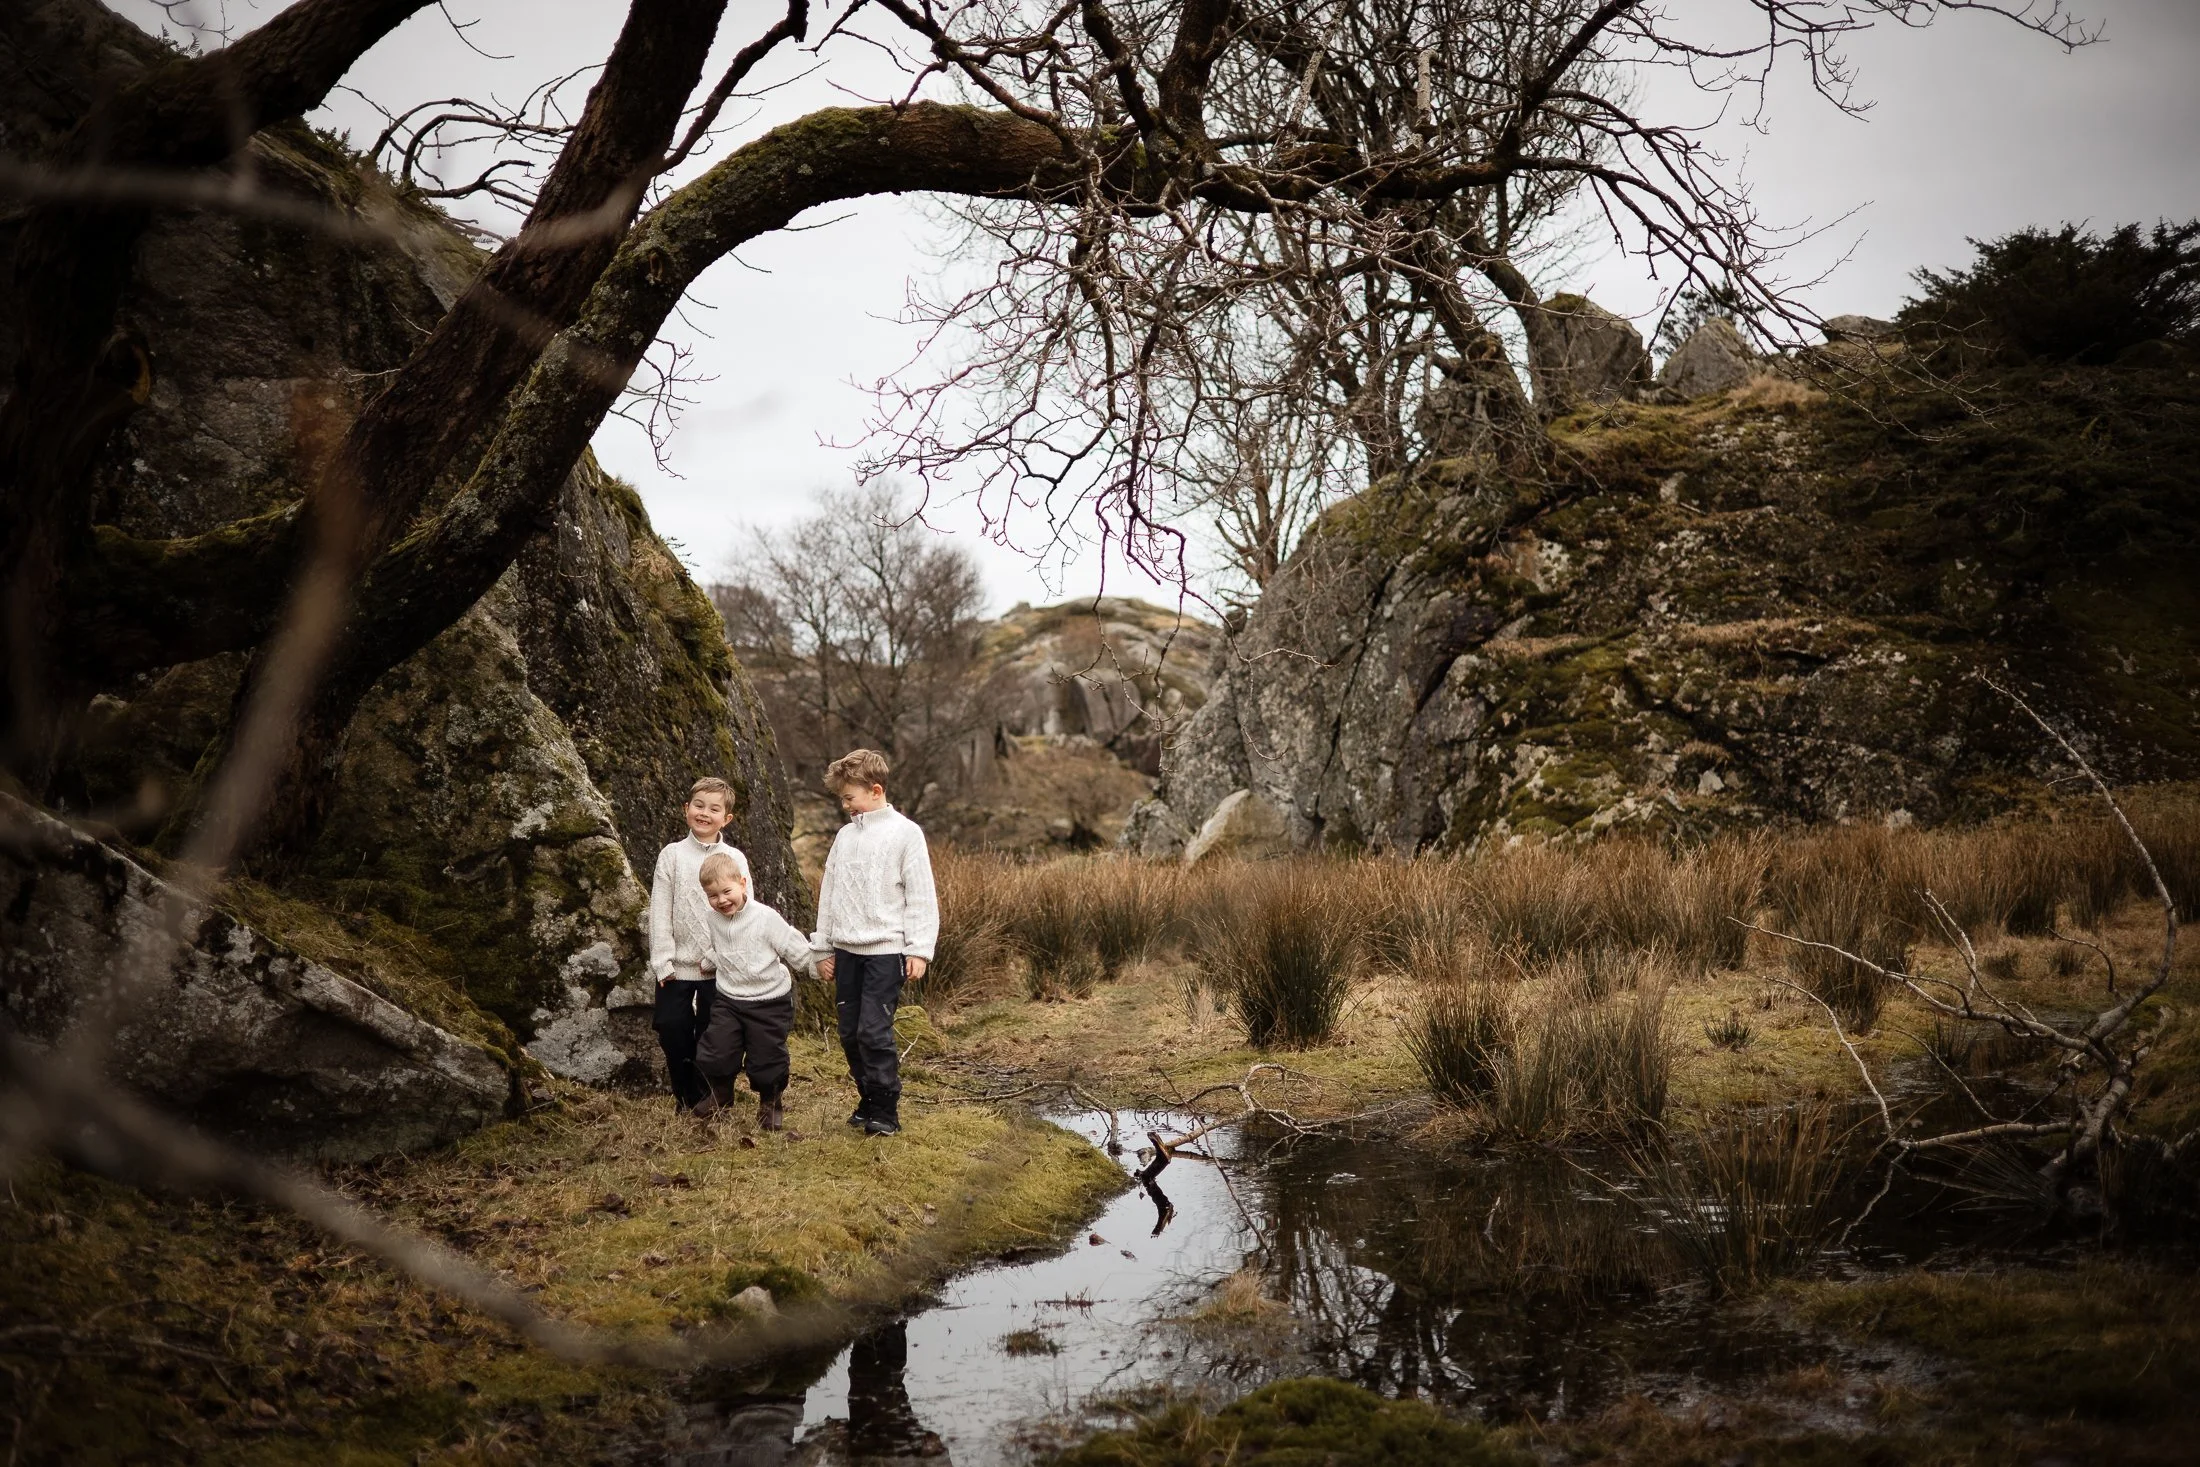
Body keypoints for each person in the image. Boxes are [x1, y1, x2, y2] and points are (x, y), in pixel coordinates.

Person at [810, 749, 937, 1137]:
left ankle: (886, 1109)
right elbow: (828, 894)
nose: (845, 805)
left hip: (886, 952)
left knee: (873, 1032)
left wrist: (918, 949)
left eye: (849, 798)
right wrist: (821, 948)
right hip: (846, 952)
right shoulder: (845, 837)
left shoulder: (905, 833)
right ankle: (867, 1098)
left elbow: (921, 895)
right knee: (849, 1033)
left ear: (875, 790)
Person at [647, 776, 750, 1111]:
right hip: (677, 969)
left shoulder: (734, 857)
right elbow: (660, 911)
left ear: (727, 818)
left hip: (720, 969)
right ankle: (685, 1097)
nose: (705, 813)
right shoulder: (672, 855)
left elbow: (743, 913)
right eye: (699, 806)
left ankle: (713, 1098)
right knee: (672, 1030)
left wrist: (717, 955)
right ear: (686, 809)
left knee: (716, 1036)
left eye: (714, 809)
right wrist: (663, 961)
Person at [690, 852, 813, 1129]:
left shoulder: (765, 918)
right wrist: (710, 960)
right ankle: (721, 1094)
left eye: (726, 891)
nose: (721, 900)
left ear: (743, 884)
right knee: (715, 1050)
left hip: (768, 1001)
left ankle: (770, 1103)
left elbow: (792, 946)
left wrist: (817, 966)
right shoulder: (714, 920)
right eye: (712, 895)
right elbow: (724, 947)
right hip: (730, 999)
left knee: (766, 1057)